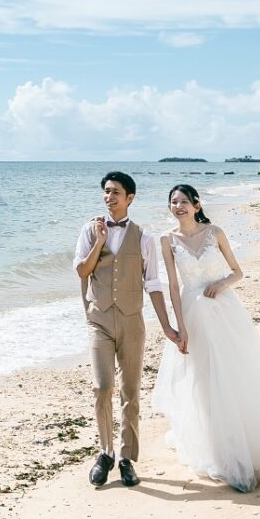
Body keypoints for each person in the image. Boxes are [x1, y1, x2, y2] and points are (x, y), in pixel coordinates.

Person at [152, 183, 260, 492]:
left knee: (237, 375)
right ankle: (223, 455)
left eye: (183, 201)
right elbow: (173, 287)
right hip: (193, 315)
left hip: (224, 312)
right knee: (205, 382)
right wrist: (180, 327)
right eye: (173, 202)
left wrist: (220, 284)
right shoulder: (166, 240)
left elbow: (237, 271)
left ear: (196, 204)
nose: (177, 207)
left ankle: (251, 450)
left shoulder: (215, 232)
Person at [74, 171, 180, 489]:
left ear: (129, 198)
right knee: (102, 388)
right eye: (106, 192)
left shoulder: (145, 238)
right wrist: (100, 243)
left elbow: (153, 284)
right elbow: (82, 271)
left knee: (130, 393)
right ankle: (105, 452)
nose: (109, 197)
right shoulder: (89, 231)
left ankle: (126, 458)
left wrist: (167, 326)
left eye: (116, 192)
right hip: (99, 321)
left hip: (133, 322)